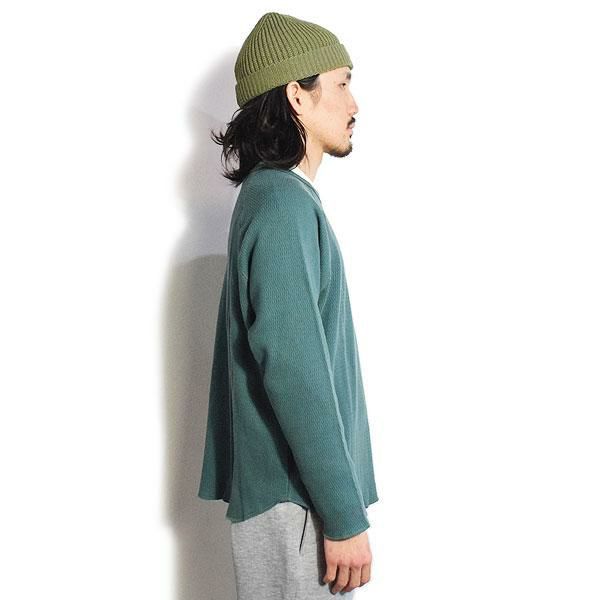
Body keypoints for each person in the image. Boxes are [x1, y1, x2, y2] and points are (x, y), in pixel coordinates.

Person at [197, 11, 379, 599]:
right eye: (342, 83)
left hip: (297, 501)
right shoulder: (280, 207)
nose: (354, 103)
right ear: (297, 96)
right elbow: (295, 371)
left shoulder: (277, 199)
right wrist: (343, 514)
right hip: (298, 505)